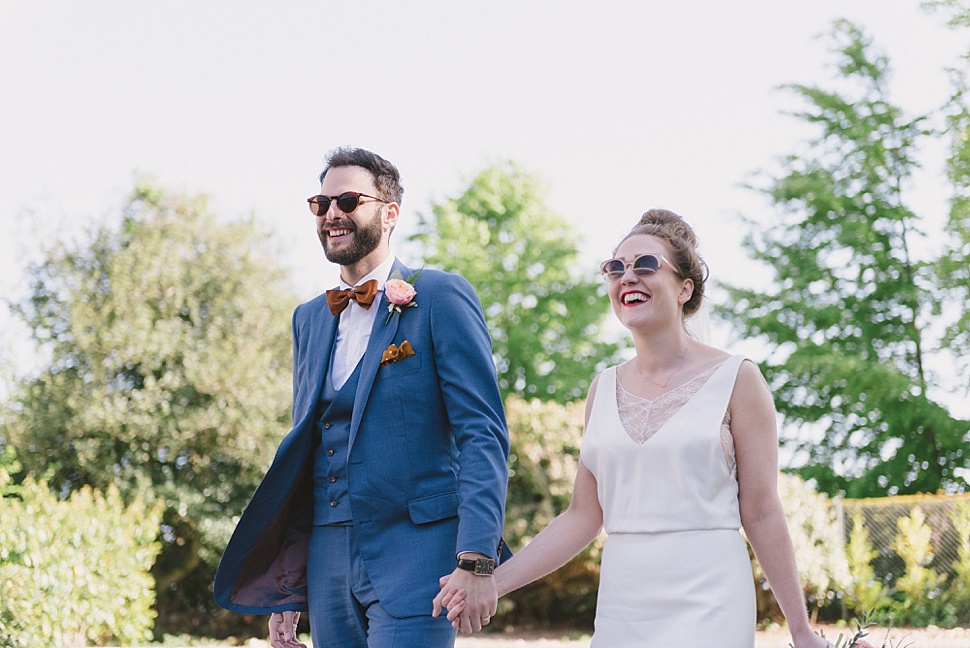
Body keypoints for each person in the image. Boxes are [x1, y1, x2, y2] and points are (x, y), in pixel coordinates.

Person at [434, 209, 833, 648]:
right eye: (615, 268)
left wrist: (801, 630)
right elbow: (583, 516)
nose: (628, 277)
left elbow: (761, 511)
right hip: (623, 603)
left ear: (685, 288)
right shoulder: (602, 388)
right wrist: (491, 582)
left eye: (645, 265)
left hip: (712, 596)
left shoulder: (738, 378)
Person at [215, 147, 510, 648]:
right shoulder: (308, 318)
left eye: (348, 201)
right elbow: (306, 455)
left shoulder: (439, 297)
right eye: (321, 204)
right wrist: (289, 587)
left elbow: (482, 432)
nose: (332, 213)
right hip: (326, 563)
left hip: (419, 557)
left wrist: (477, 558)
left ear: (389, 213)